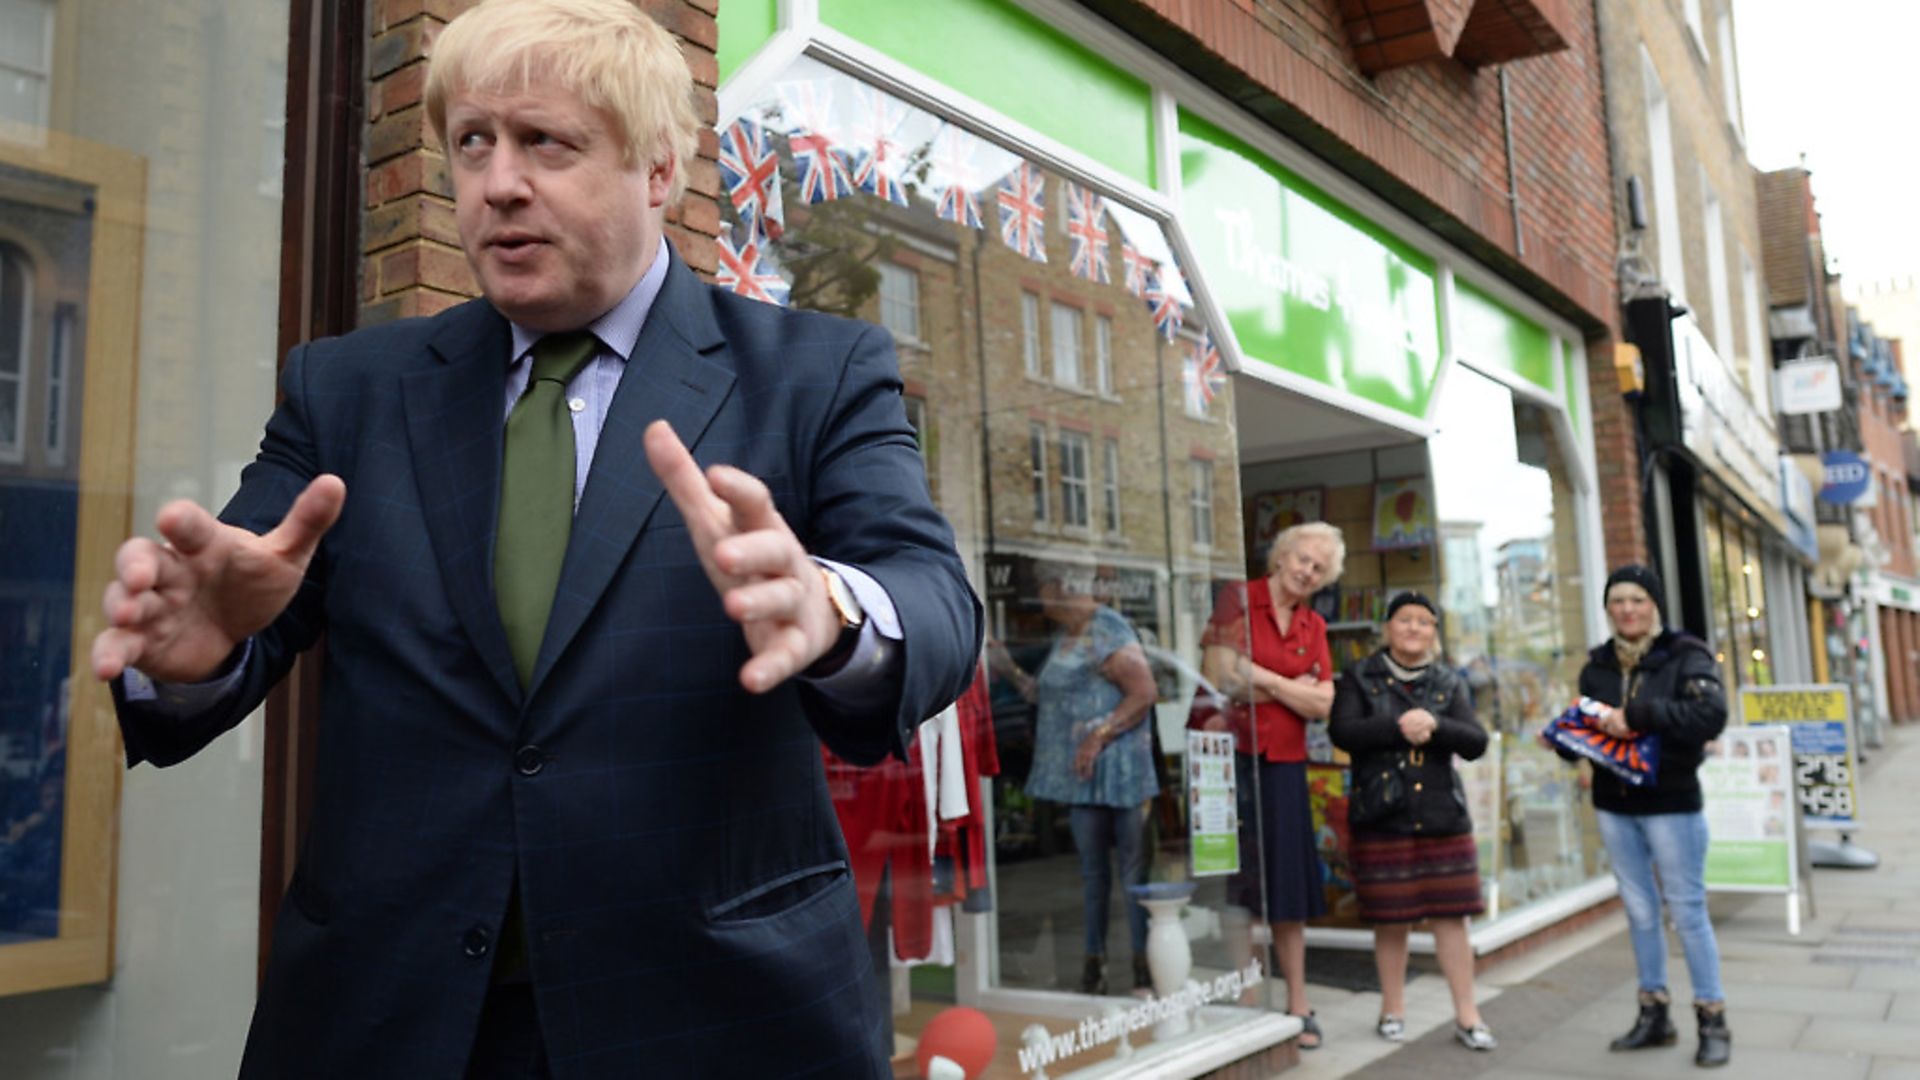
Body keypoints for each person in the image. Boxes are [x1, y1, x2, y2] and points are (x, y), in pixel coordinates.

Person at [89, 1, 982, 1075]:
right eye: (472, 143)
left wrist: (834, 611)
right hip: (390, 1017)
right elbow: (239, 593)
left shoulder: (812, 372)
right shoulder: (351, 389)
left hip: (714, 1020)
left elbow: (931, 600)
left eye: (544, 142)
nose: (496, 182)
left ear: (658, 170)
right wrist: (196, 658)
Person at [1571, 564, 1731, 1069]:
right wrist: (1565, 740)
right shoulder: (1596, 665)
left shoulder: (1686, 655)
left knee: (1686, 911)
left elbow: (1710, 716)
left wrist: (1638, 715)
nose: (1627, 609)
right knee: (1640, 913)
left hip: (1671, 802)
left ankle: (1712, 1019)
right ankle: (1654, 1015)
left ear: (1654, 604)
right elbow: (1592, 731)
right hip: (1615, 805)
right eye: (1617, 600)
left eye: (1637, 599)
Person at [1327, 592, 1495, 1051]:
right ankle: (1392, 1009)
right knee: (1390, 920)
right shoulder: (1359, 677)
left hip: (1442, 816)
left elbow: (1476, 741)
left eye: (1424, 622)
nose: (1414, 628)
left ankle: (1468, 1014)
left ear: (1434, 634)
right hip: (1383, 814)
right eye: (1405, 620)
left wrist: (1436, 725)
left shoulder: (1447, 681)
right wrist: (1399, 725)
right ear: (1388, 628)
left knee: (1452, 920)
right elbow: (1342, 732)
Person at [1199, 521, 1343, 1048]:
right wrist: (1290, 686)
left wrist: (1257, 677)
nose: (1308, 571)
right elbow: (1219, 674)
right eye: (1303, 558)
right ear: (1281, 555)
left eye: (1319, 568)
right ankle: (1247, 994)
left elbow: (1325, 703)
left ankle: (1299, 1001)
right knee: (1239, 881)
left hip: (1284, 762)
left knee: (1287, 886)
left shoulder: (1314, 626)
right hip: (1231, 757)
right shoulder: (1239, 599)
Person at [1022, 567, 1160, 995]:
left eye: (1041, 589)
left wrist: (1098, 737)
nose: (1039, 600)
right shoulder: (1068, 638)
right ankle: (1093, 966)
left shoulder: (1106, 628)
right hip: (1082, 779)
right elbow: (1045, 696)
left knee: (1133, 873)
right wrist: (1005, 667)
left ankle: (1142, 967)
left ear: (1058, 588)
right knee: (1091, 875)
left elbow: (1144, 692)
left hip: (1119, 773)